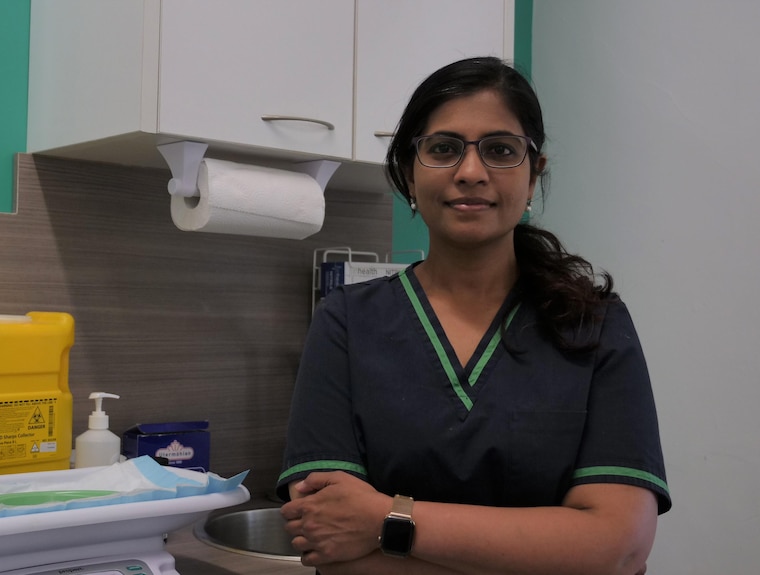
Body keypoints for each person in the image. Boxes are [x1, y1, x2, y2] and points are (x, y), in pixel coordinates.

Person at [277, 56, 670, 575]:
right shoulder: (346, 323)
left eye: (500, 150)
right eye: (442, 149)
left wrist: (387, 519)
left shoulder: (593, 324)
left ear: (533, 178)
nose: (470, 172)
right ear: (408, 175)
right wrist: (552, 551)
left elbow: (619, 547)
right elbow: (327, 541)